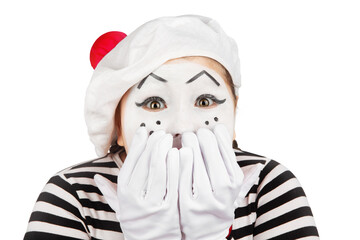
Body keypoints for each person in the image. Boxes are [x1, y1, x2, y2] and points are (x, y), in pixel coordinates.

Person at [24, 15, 319, 240]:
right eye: (154, 103)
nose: (181, 125)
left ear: (234, 112)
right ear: (117, 123)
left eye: (204, 101)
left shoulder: (268, 186)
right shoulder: (72, 195)